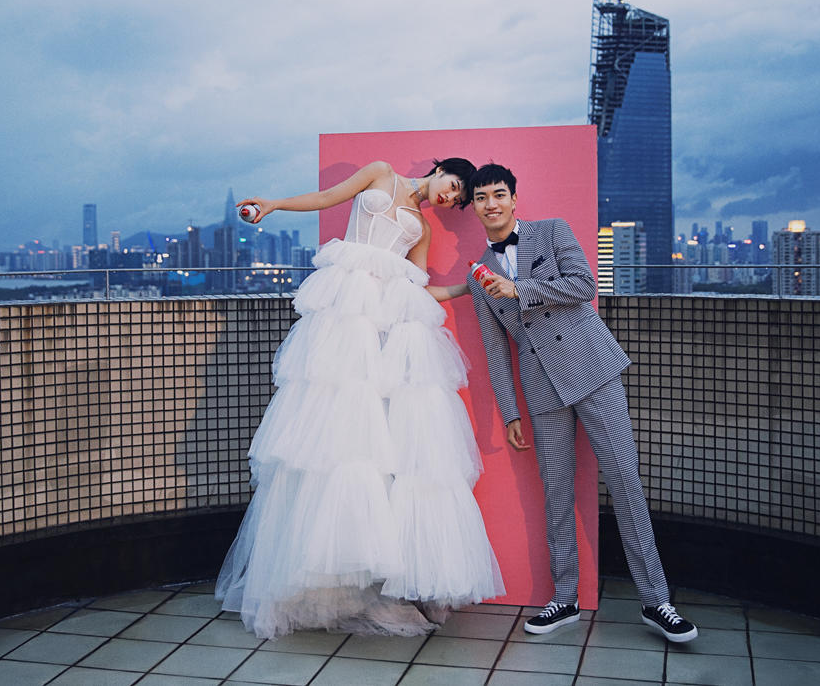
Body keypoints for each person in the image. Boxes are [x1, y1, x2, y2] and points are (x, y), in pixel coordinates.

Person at [215, 158, 504, 638]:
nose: (451, 197)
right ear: (439, 170)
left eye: (458, 198)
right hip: (343, 315)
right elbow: (327, 197)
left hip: (380, 331)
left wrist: (467, 287)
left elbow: (419, 290)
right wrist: (275, 204)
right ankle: (314, 578)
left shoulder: (422, 232)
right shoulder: (381, 172)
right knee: (329, 433)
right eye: (454, 186)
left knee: (370, 445)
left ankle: (365, 575)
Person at [465, 163, 698, 642]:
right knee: (556, 493)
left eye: (499, 194)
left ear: (514, 199)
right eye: (482, 197)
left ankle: (657, 602)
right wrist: (510, 411)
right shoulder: (478, 275)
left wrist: (519, 289)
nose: (491, 204)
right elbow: (495, 349)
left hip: (593, 371)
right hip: (541, 389)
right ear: (475, 207)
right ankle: (564, 598)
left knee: (625, 482)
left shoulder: (552, 232)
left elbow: (584, 285)